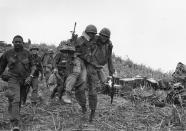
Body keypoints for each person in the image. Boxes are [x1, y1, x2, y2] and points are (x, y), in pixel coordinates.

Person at [0, 35, 36, 131]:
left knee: (19, 100)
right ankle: (15, 123)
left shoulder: (28, 53)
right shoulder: (7, 53)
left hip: (25, 80)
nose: (18, 43)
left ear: (23, 43)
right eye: (16, 41)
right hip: (13, 78)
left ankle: (14, 113)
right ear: (12, 42)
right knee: (15, 99)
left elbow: (33, 66)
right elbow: (1, 67)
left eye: (19, 41)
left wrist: (30, 76)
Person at [74, 24, 100, 122]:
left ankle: (92, 111)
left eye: (94, 34)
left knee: (93, 90)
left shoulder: (96, 40)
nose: (92, 35)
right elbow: (74, 52)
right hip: (81, 66)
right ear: (86, 32)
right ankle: (83, 106)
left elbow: (104, 40)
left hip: (92, 67)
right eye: (90, 34)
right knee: (80, 89)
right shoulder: (79, 40)